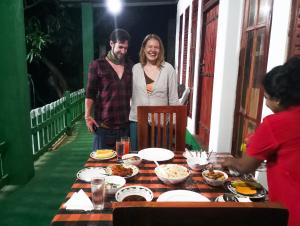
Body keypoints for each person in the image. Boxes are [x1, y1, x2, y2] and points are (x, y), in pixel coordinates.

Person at [221, 57, 300, 226]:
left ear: (278, 99)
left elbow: (245, 167)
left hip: (289, 212)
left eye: (266, 97)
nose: (265, 103)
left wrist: (230, 160)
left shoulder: (274, 123)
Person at [129, 34, 179, 151]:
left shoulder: (168, 69)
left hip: (161, 123)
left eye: (156, 47)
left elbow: (173, 99)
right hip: (137, 122)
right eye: (149, 46)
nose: (152, 50)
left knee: (162, 159)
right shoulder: (135, 69)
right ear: (144, 49)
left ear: (160, 50)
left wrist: (175, 124)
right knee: (138, 158)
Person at [85, 28, 132, 150]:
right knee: (102, 165)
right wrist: (87, 116)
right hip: (104, 129)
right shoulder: (97, 65)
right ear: (111, 43)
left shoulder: (129, 66)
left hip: (124, 129)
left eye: (126, 48)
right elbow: (90, 93)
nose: (123, 51)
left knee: (124, 165)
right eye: (120, 47)